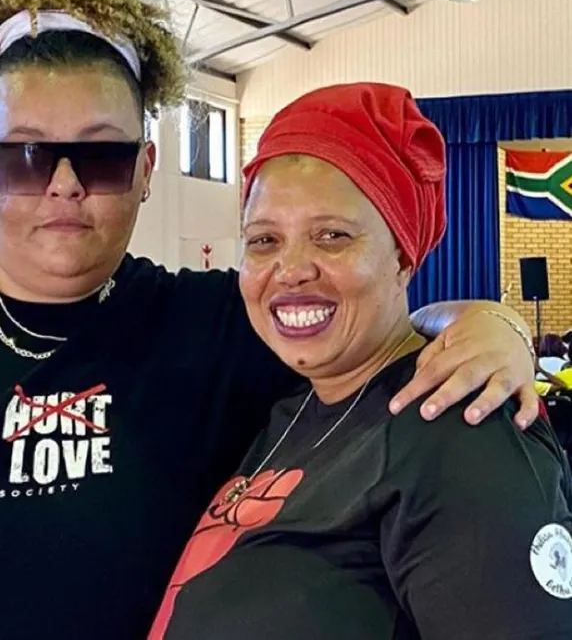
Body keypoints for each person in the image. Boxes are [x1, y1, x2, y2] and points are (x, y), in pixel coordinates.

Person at [0, 0, 538, 640]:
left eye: (101, 157)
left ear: (146, 169)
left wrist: (493, 325)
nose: (64, 184)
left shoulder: (209, 326)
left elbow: (364, 333)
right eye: (27, 155)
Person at [151, 83, 572, 640]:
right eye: (264, 240)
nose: (291, 269)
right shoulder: (290, 410)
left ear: (402, 255)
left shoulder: (460, 430)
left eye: (332, 236)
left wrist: (501, 324)